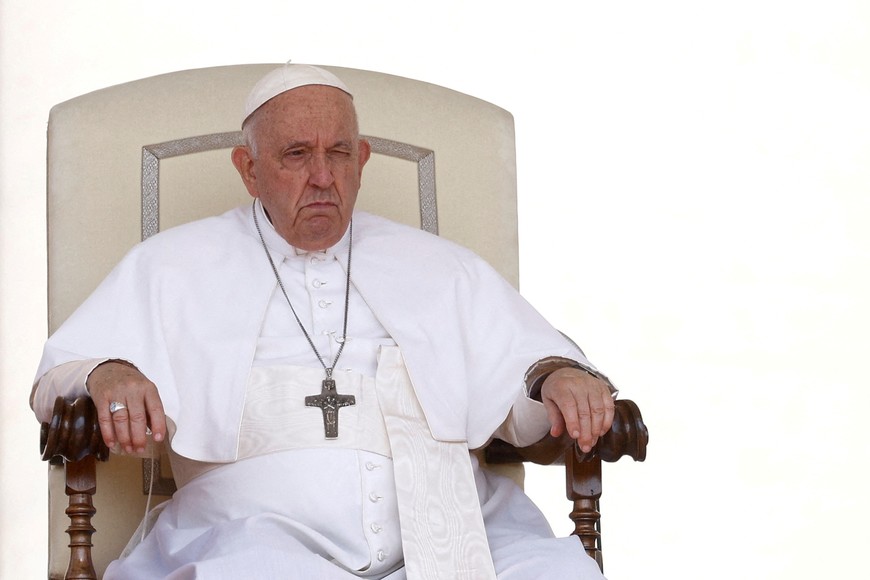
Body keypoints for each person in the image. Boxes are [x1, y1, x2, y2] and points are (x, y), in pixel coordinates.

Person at [31, 64, 617, 579]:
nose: (322, 176)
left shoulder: (441, 267)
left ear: (361, 162)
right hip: (250, 537)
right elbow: (65, 368)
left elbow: (525, 371)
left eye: (339, 152)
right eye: (295, 155)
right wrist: (108, 375)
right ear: (248, 169)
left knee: (556, 571)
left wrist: (558, 377)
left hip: (456, 534)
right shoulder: (172, 266)